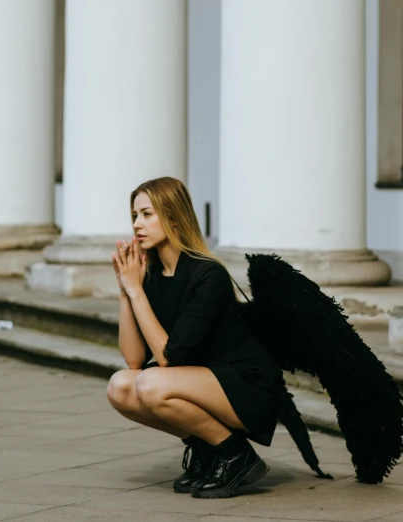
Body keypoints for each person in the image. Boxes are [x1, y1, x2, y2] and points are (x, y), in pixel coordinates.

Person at [106, 176, 286, 499]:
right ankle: (207, 449)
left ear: (173, 217)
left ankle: (235, 454)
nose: (137, 224)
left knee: (150, 384)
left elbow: (168, 358)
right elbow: (133, 359)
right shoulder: (152, 275)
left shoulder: (207, 274)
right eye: (135, 215)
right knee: (120, 387)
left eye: (147, 214)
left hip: (245, 385)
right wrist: (126, 291)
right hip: (199, 381)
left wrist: (136, 291)